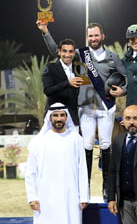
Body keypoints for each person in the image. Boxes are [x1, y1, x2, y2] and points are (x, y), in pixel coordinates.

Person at [37, 20, 127, 198]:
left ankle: (107, 188)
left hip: (106, 107)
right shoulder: (79, 54)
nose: (93, 38)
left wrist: (124, 90)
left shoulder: (113, 57)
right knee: (85, 146)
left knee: (106, 145)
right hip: (85, 107)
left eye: (96, 35)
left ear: (102, 36)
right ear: (87, 37)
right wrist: (45, 31)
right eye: (90, 35)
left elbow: (124, 78)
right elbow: (57, 51)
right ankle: (84, 188)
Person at [24, 102, 89, 224]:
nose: (59, 119)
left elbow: (82, 170)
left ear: (66, 117)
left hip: (70, 200)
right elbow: (31, 172)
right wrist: (32, 197)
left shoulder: (76, 139)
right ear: (49, 118)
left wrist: (83, 195)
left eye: (62, 115)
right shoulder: (39, 142)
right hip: (46, 201)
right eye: (55, 116)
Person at [41, 39, 82, 127]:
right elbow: (47, 91)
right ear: (59, 52)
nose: (67, 55)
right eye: (64, 51)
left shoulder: (79, 69)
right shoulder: (50, 68)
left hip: (73, 118)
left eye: (70, 51)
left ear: (74, 53)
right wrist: (67, 83)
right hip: (54, 118)